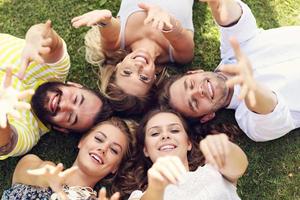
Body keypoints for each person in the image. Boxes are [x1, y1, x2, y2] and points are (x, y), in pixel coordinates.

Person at [158, 0, 300, 142]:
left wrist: (217, 3)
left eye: (190, 84)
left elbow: (231, 18)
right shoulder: (252, 124)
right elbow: (271, 112)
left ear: (195, 72)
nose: (198, 91)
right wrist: (250, 86)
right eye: (194, 103)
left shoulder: (233, 50)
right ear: (207, 116)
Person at [0, 21, 112, 160]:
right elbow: (49, 39)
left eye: (70, 117)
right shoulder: (55, 68)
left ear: (61, 129)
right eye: (76, 99)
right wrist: (35, 39)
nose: (64, 105)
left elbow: (6, 143)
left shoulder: (29, 131)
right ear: (75, 85)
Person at [71, 0, 195, 115]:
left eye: (127, 72)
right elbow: (179, 33)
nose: (138, 67)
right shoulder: (179, 55)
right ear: (154, 79)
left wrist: (104, 19)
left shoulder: (117, 45)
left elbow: (108, 29)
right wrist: (166, 20)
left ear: (117, 67)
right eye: (143, 78)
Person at [124, 109, 248, 199]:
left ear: (188, 143)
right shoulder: (141, 196)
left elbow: (239, 167)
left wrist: (225, 148)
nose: (165, 135)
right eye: (155, 133)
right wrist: (156, 188)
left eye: (174, 130)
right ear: (146, 150)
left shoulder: (212, 171)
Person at [1, 117, 136, 200]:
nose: (103, 149)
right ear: (81, 141)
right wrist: (49, 178)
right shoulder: (33, 163)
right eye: (99, 139)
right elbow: (36, 173)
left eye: (114, 150)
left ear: (115, 167)